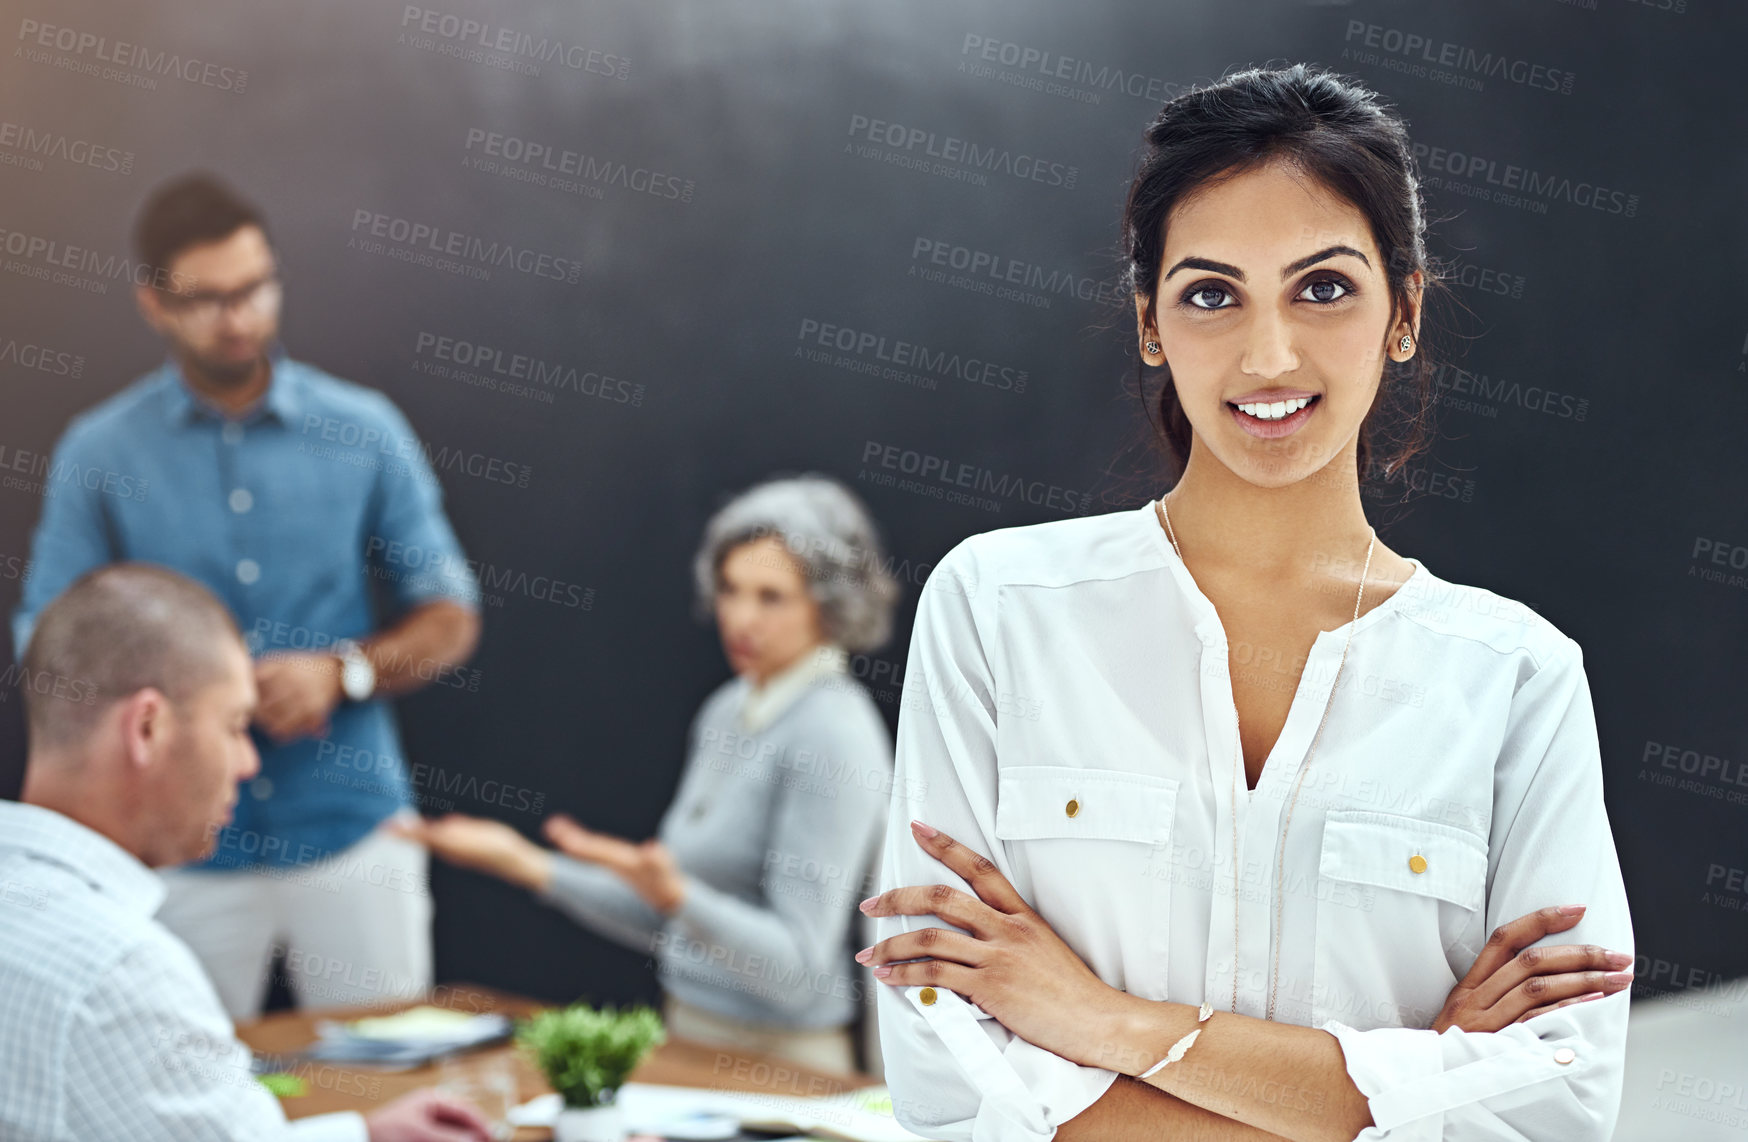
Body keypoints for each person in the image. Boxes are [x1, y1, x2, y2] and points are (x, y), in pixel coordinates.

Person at [861, 64, 1634, 1142]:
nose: (1266, 354)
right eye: (1210, 293)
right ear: (1148, 323)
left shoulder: (1513, 678)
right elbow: (948, 1086)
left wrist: (1099, 1019)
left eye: (1322, 287)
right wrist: (1401, 1092)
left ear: (1402, 311)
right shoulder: (998, 610)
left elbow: (1554, 1103)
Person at [11, 171, 483, 1021]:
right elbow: (46, 633)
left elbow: (449, 615)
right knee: (171, 1091)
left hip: (350, 829)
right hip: (178, 849)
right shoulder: (100, 451)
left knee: (394, 1085)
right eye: (208, 299)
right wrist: (168, 705)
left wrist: (345, 675)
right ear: (153, 303)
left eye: (256, 288)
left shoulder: (365, 428)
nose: (239, 316)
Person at [392, 474, 898, 1073]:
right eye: (731, 589)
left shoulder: (832, 733)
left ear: (831, 606)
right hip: (688, 1038)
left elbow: (796, 970)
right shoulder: (728, 710)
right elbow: (674, 922)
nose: (739, 618)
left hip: (781, 1069)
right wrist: (519, 861)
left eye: (771, 597)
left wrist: (678, 895)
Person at [0, 563, 492, 1142]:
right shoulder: (122, 971)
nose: (248, 762)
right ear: (148, 729)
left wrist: (359, 1134)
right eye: (234, 726)